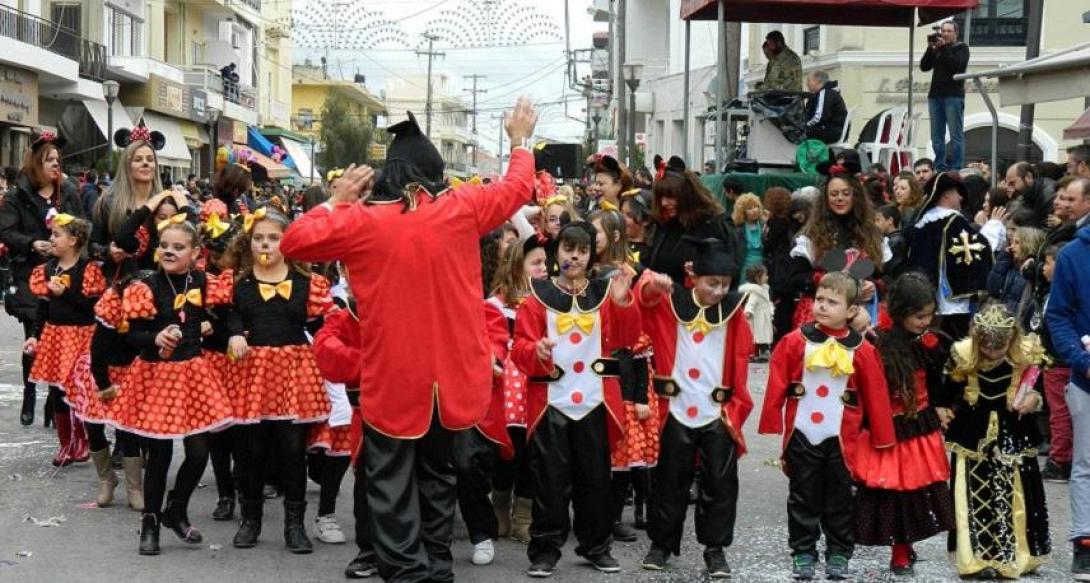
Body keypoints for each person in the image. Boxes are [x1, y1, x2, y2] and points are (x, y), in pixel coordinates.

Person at [279, 99, 538, 583]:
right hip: (453, 379)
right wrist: (518, 140)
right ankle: (436, 567)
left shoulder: (362, 222)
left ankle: (406, 572)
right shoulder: (462, 209)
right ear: (436, 172)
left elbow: (294, 242)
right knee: (439, 477)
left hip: (393, 380)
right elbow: (517, 186)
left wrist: (336, 200)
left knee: (390, 484)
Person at [511, 221, 639, 578]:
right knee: (550, 481)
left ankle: (596, 546)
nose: (575, 257)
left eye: (582, 251)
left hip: (596, 401)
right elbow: (519, 350)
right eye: (568, 249)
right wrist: (535, 349)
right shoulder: (536, 295)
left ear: (589, 254)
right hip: (551, 401)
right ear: (558, 253)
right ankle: (546, 551)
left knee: (596, 479)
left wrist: (624, 301)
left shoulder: (603, 292)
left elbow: (628, 338)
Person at [107, 219, 236, 555]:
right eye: (164, 244)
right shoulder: (146, 286)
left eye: (178, 247)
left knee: (198, 452)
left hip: (192, 373)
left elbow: (226, 318)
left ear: (195, 253)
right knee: (160, 454)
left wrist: (223, 328)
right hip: (157, 375)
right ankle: (150, 524)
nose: (169, 250)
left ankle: (176, 509)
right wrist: (155, 336)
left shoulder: (204, 282)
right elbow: (130, 334)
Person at [759, 271, 895, 580]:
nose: (822, 306)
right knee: (802, 495)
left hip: (842, 439)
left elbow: (876, 394)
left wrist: (882, 437)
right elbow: (778, 380)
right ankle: (803, 551)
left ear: (850, 311)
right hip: (803, 433)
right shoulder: (794, 341)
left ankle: (838, 550)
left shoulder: (863, 349)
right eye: (819, 299)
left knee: (840, 498)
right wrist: (770, 420)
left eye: (832, 302)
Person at [637, 238, 753, 579]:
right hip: (677, 409)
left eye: (725, 284)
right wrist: (648, 284)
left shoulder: (733, 312)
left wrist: (735, 408)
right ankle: (661, 544)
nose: (718, 291)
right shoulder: (672, 304)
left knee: (720, 484)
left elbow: (743, 359)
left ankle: (715, 550)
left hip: (718, 413)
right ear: (694, 277)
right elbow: (641, 306)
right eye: (711, 283)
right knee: (670, 481)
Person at [223, 207, 333, 554]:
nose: (265, 244)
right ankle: (250, 519)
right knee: (251, 451)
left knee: (291, 450)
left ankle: (294, 525)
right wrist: (235, 333)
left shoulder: (307, 284)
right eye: (259, 238)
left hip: (293, 372)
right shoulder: (238, 284)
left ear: (288, 242)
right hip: (252, 371)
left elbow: (322, 328)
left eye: (273, 238)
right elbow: (230, 315)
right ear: (249, 242)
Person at [853, 273, 955, 576]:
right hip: (888, 428)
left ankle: (905, 545)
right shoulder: (878, 344)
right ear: (899, 312)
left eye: (929, 315)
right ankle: (898, 549)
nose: (925, 321)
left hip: (919, 425)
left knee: (915, 490)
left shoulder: (932, 342)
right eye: (919, 316)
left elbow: (941, 381)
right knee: (892, 490)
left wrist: (941, 405)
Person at [945, 304, 1049, 578]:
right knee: (973, 493)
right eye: (987, 348)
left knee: (1014, 493)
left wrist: (1032, 399)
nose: (992, 353)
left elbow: (1039, 391)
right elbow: (947, 392)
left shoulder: (1026, 355)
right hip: (972, 433)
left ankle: (1015, 556)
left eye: (999, 348)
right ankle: (975, 559)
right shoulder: (962, 354)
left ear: (1012, 340)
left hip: (1013, 431)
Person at [0, 131, 86, 427]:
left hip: (64, 273)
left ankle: (55, 399)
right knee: (34, 339)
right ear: (37, 163)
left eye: (58, 160)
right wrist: (32, 243)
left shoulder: (69, 192)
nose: (55, 165)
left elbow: (82, 226)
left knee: (60, 340)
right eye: (50, 159)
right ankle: (29, 392)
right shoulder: (18, 194)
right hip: (30, 275)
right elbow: (7, 232)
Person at [587, 208, 658, 542]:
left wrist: (639, 394)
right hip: (589, 368)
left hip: (623, 370)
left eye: (596, 232)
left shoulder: (628, 273)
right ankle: (592, 516)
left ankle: (613, 517)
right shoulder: (582, 272)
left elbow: (636, 338)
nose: (590, 238)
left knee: (622, 452)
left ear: (614, 236)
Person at [25, 214, 103, 466]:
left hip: (81, 335)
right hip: (55, 336)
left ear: (74, 240)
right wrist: (35, 336)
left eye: (57, 235)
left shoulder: (88, 269)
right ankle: (65, 443)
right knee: (57, 390)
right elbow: (43, 308)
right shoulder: (47, 270)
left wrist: (66, 293)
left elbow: (91, 307)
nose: (51, 239)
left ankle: (82, 441)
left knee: (79, 388)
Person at [488, 236, 549, 547]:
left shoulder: (547, 302)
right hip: (507, 386)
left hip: (534, 384)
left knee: (532, 452)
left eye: (544, 263)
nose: (543, 269)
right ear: (516, 266)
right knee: (505, 450)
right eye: (536, 263)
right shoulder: (496, 305)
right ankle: (499, 506)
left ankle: (523, 516)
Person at [67, 276, 143, 509]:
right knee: (94, 425)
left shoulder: (147, 308)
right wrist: (104, 386)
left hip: (131, 369)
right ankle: (106, 479)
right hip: (102, 372)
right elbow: (98, 352)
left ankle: (134, 487)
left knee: (128, 428)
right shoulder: (110, 310)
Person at [1046, 209, 1090, 580]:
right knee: (1087, 465)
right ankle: (1085, 542)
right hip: (1087, 377)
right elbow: (1057, 314)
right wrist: (1079, 358)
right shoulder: (1075, 254)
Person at [905, 172, 998, 340]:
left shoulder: (923, 223)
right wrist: (995, 226)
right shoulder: (954, 222)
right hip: (952, 306)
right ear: (946, 195)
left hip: (926, 301)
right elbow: (980, 250)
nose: (961, 198)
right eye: (957, 193)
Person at [646, 163, 735, 286]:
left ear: (687, 195)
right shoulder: (667, 224)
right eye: (661, 197)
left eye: (670, 196)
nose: (664, 203)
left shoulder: (711, 226)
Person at [920, 21, 969, 172]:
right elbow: (924, 66)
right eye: (943, 31)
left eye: (949, 31)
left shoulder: (962, 48)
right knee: (936, 136)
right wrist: (931, 49)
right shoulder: (938, 48)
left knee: (955, 135)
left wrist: (944, 48)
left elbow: (957, 66)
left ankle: (956, 167)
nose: (945, 34)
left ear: (955, 33)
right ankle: (940, 165)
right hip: (935, 96)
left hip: (953, 96)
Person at [1005, 162, 1055, 229]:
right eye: (1008, 184)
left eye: (1012, 183)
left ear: (1028, 177)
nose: (1010, 189)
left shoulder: (1049, 195)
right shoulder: (1026, 194)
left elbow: (1046, 230)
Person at [739, 264, 773, 362]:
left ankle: (763, 352)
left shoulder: (764, 289)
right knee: (758, 335)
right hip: (758, 318)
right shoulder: (756, 292)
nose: (767, 277)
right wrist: (748, 312)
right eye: (765, 275)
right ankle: (758, 352)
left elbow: (767, 302)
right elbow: (751, 303)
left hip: (764, 316)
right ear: (757, 278)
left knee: (763, 335)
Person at [804, 71, 847, 144]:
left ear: (817, 81)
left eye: (809, 80)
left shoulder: (825, 93)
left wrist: (803, 126)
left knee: (798, 133)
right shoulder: (827, 92)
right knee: (799, 132)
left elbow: (819, 117)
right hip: (832, 129)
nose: (807, 84)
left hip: (832, 131)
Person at [731, 193, 765, 278]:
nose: (754, 210)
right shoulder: (737, 229)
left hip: (763, 267)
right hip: (744, 268)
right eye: (750, 208)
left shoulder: (764, 225)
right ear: (743, 212)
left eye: (756, 206)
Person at [875, 204, 906, 281]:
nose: (875, 224)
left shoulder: (894, 242)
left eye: (878, 220)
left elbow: (882, 268)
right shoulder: (891, 238)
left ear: (890, 221)